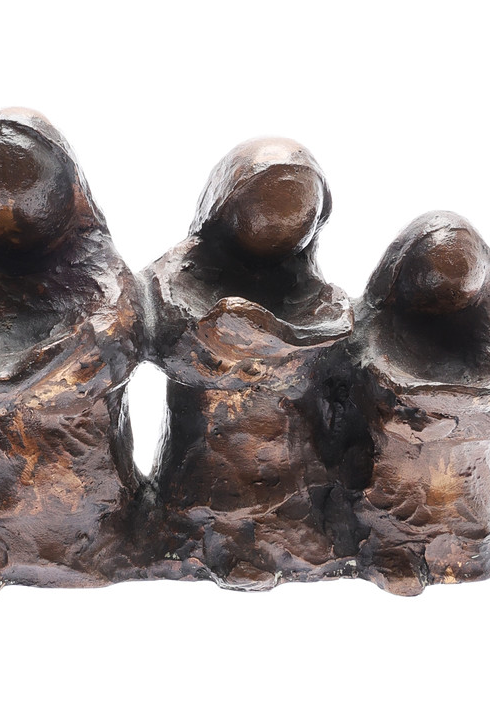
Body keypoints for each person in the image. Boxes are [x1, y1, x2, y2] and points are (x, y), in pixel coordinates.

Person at [0, 109, 144, 598]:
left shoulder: (95, 262)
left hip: (73, 442)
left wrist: (49, 367)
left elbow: (118, 331)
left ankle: (92, 544)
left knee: (78, 501)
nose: (8, 210)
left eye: (27, 189)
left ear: (66, 191)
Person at [143, 138, 354, 589]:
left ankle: (284, 545)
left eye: (300, 214)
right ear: (227, 204)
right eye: (266, 206)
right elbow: (154, 336)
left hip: (288, 452)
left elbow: (339, 367)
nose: (280, 225)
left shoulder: (312, 292)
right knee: (215, 510)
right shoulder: (176, 277)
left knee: (295, 516)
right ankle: (214, 546)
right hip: (211, 451)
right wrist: (217, 353)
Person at [350, 211, 490, 595]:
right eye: (432, 285)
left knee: (470, 529)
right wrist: (411, 422)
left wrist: (452, 423)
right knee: (396, 518)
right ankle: (392, 554)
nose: (446, 298)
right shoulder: (375, 329)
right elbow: (370, 401)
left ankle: (470, 554)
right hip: (403, 473)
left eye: (459, 287)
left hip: (470, 480)